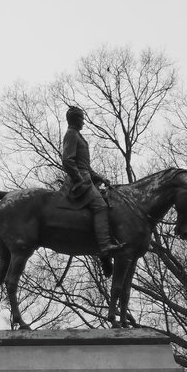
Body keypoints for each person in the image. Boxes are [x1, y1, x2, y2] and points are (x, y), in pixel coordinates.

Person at [61, 105, 122, 260]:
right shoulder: (71, 134)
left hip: (86, 178)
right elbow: (67, 161)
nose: (83, 122)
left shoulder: (77, 135)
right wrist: (79, 178)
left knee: (109, 201)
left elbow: (86, 166)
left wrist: (100, 178)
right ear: (75, 119)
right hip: (79, 181)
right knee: (100, 207)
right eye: (82, 119)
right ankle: (104, 245)